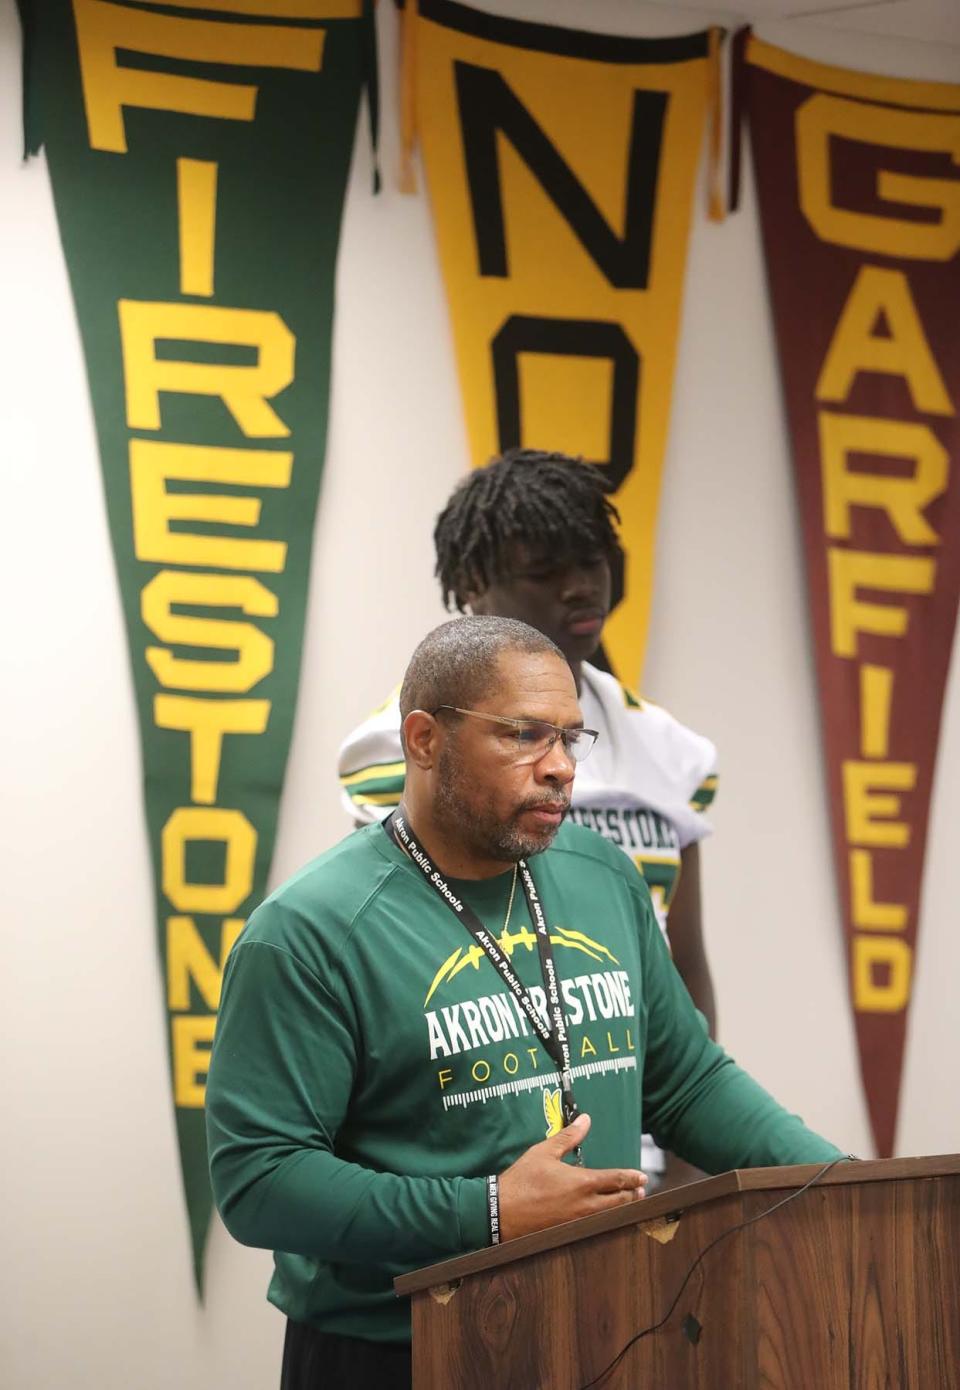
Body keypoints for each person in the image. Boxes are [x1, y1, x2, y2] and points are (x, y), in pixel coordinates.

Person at [207, 616, 844, 1390]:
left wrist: (845, 1190)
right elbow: (260, 1181)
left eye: (571, 739)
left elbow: (685, 1082)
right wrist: (489, 1213)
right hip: (393, 1353)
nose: (560, 768)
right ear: (423, 741)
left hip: (605, 1328)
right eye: (524, 735)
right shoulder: (312, 931)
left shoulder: (603, 877)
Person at [338, 448, 717, 1189]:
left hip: (636, 1150)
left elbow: (684, 961)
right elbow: (402, 963)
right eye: (545, 571)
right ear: (475, 585)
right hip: (484, 1154)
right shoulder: (398, 748)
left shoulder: (670, 752)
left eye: (594, 561)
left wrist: (689, 1162)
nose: (581, 587)